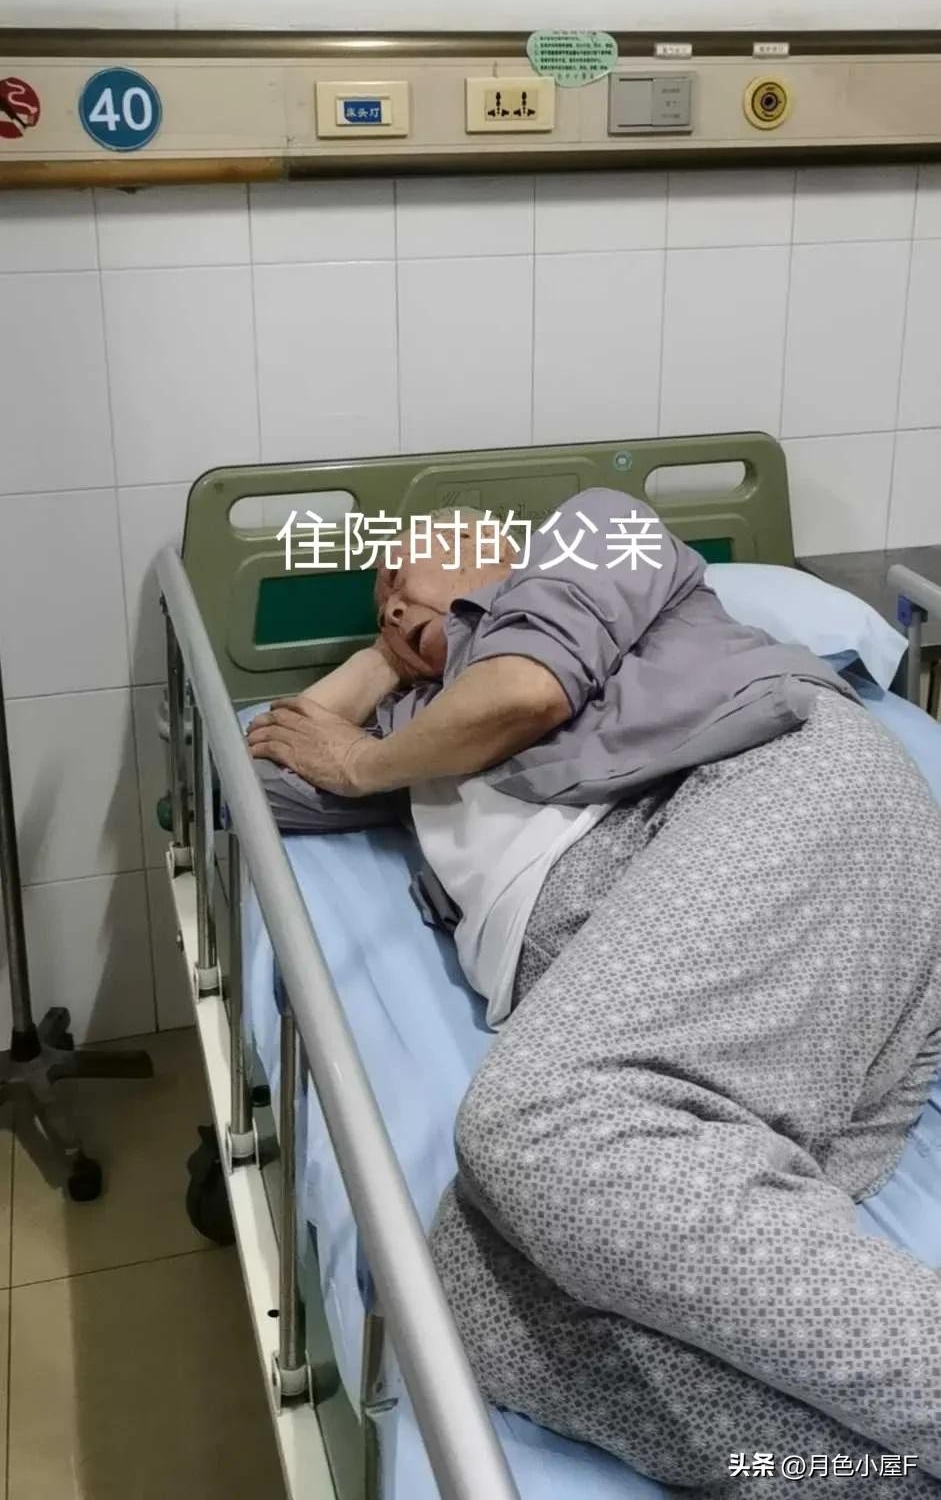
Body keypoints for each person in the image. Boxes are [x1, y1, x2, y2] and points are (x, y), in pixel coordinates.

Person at [247, 494, 941, 1493]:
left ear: (493, 539)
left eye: (403, 564)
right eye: (376, 594)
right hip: (708, 1001)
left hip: (764, 796)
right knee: (460, 1293)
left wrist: (363, 759)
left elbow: (524, 693)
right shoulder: (410, 733)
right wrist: (381, 667)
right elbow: (258, 786)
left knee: (535, 1122)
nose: (388, 594)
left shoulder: (591, 535)